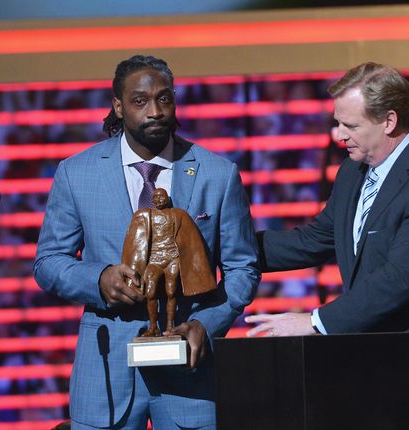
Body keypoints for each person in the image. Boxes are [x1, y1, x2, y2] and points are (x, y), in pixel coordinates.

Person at [245, 62, 409, 429]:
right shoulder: (352, 172)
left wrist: (314, 322)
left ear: (389, 121)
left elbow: (401, 278)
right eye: (337, 122)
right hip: (383, 385)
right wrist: (223, 251)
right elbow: (315, 239)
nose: (338, 135)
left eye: (350, 125)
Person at [34, 55, 261, 430]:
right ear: (119, 107)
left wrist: (206, 324)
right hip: (106, 371)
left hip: (190, 370)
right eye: (140, 101)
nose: (154, 111)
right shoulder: (77, 173)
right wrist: (99, 280)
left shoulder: (218, 174)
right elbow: (49, 262)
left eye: (164, 98)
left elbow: (242, 268)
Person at [122, 188, 217, 337]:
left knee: (171, 291)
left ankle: (170, 326)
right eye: (156, 197)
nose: (159, 199)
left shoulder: (177, 215)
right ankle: (153, 327)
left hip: (172, 258)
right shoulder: (146, 215)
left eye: (162, 196)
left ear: (167, 198)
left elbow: (190, 239)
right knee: (150, 292)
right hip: (154, 259)